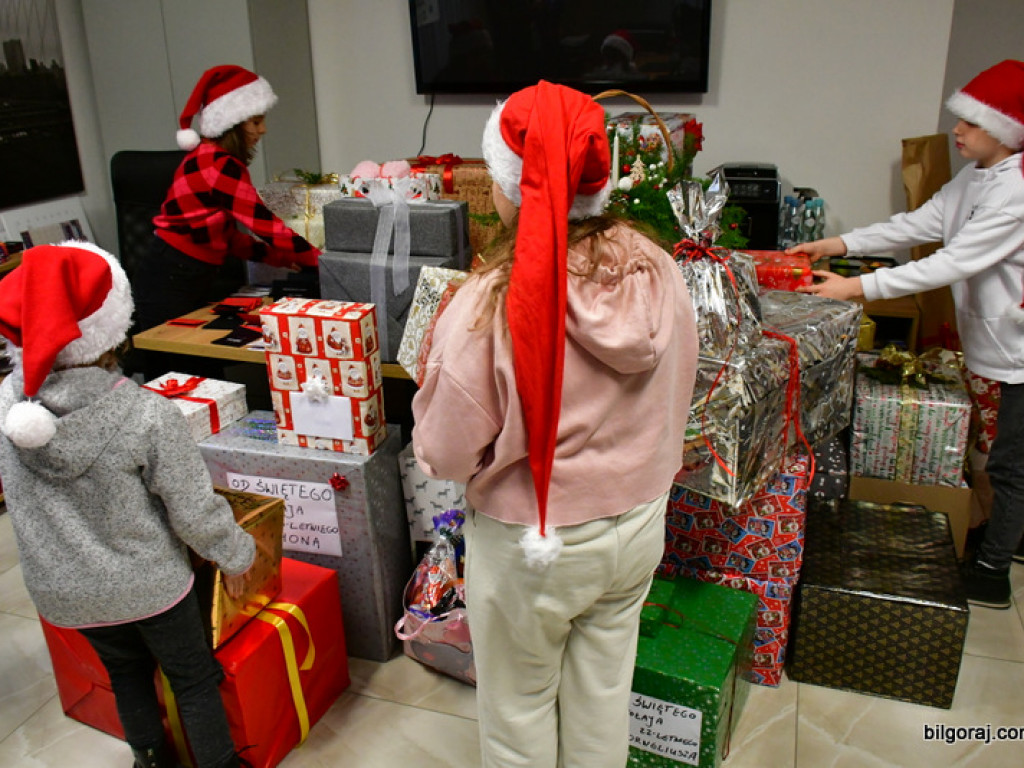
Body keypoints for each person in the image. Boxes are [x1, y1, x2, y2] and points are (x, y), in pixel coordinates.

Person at [411, 81, 699, 767]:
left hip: (535, 544)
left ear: (514, 187)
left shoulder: (490, 303)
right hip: (637, 522)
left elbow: (446, 452)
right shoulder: (657, 268)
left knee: (518, 713)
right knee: (603, 695)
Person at [0, 241, 257, 768]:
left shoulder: (8, 405)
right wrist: (239, 555)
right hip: (150, 586)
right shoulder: (145, 415)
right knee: (193, 678)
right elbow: (194, 512)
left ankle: (150, 759)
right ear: (112, 325)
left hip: (64, 590)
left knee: (125, 674)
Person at [790, 59, 1024, 610]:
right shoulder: (975, 177)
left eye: (970, 122)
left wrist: (855, 290)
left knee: (1012, 464)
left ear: (1004, 129)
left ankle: (991, 573)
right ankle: (996, 543)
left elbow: (950, 262)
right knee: (1002, 455)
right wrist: (839, 245)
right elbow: (921, 223)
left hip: (1019, 343)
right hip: (999, 340)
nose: (957, 131)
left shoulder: (1014, 191)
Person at [132, 64, 320, 333]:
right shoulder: (218, 165)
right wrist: (318, 260)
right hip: (171, 276)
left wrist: (277, 257)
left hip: (184, 272)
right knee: (177, 363)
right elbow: (264, 223)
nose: (263, 129)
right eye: (256, 122)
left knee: (199, 362)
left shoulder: (208, 159)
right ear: (232, 125)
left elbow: (224, 237)